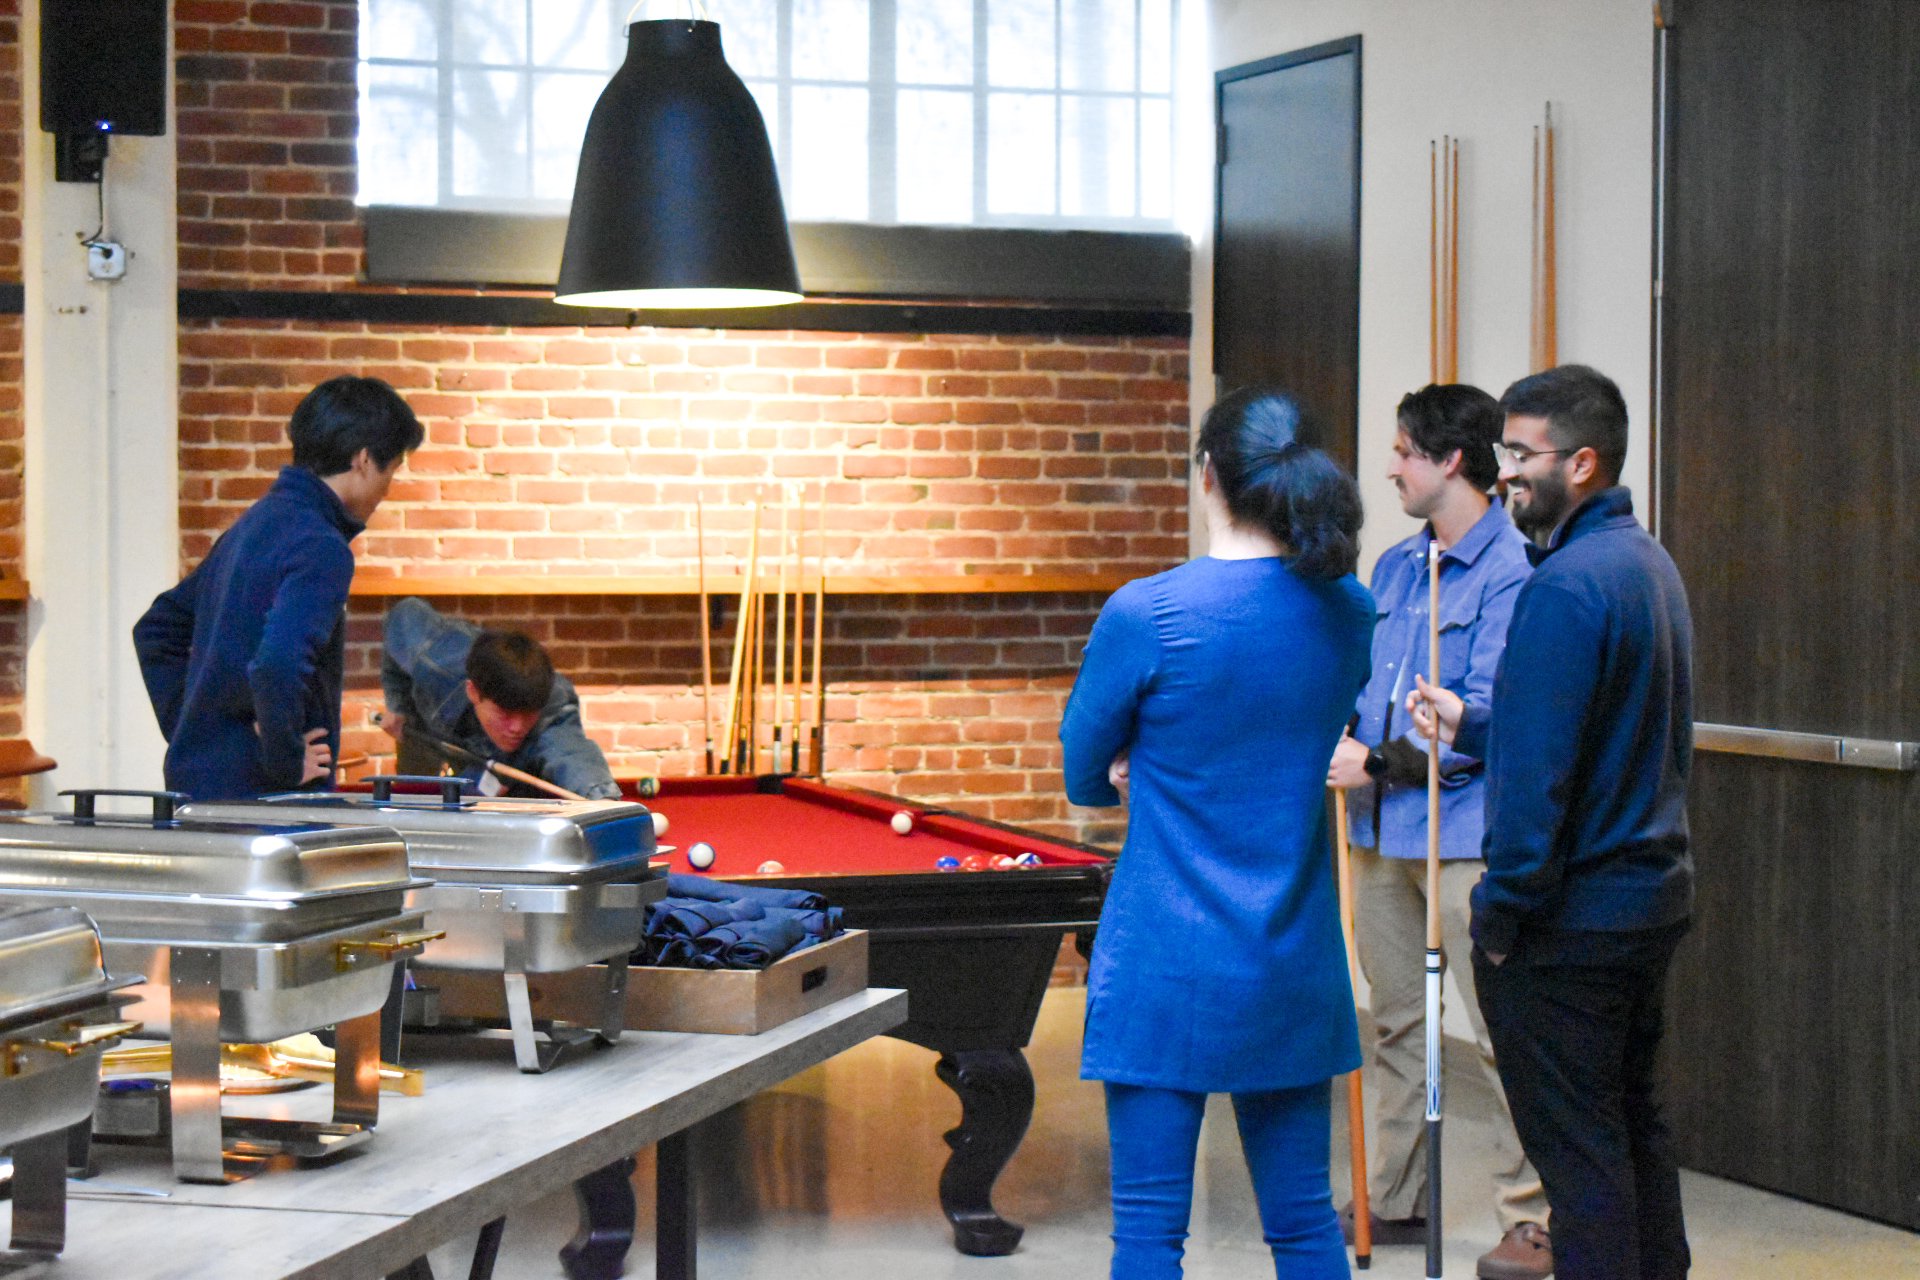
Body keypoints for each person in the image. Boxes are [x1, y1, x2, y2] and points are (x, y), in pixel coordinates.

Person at [1061, 387, 1374, 1279]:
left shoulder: (1148, 612)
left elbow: (1085, 772)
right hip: (1292, 957)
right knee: (1306, 1227)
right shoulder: (1349, 610)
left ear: (1208, 476)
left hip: (1164, 956)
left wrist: (1134, 764)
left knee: (1150, 1234)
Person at [1410, 364, 1693, 1280]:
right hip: (1644, 907)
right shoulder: (1644, 563)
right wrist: (1481, 719)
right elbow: (1594, 723)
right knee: (1631, 1128)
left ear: (1582, 463)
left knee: (1581, 1164)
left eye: (1520, 455)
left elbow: (1538, 790)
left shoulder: (1565, 587)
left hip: (1569, 924)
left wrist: (1500, 914)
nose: (1503, 475)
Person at [1325, 385, 1550, 1279]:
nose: (1391, 466)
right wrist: (1343, 736)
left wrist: (1379, 761)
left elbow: (1489, 718)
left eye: (1404, 451)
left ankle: (1533, 1218)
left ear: (1452, 460)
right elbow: (1366, 689)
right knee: (1394, 1028)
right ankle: (1398, 1196)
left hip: (1464, 839)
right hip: (1383, 838)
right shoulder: (1391, 568)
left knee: (1505, 1036)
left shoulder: (1515, 575)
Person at [134, 376, 423, 801]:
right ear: (363, 460)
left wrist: (202, 734)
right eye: (391, 471)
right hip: (267, 806)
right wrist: (284, 760)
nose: (386, 490)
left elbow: (156, 629)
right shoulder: (321, 546)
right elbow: (276, 665)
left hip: (200, 792)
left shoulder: (254, 524)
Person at [380, 597, 621, 800]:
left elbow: (571, 753)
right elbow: (402, 614)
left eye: (528, 714)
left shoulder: (552, 704)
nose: (517, 728)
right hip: (432, 733)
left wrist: (602, 800)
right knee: (415, 801)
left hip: (510, 778)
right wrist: (399, 705)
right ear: (473, 692)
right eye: (505, 714)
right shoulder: (436, 664)